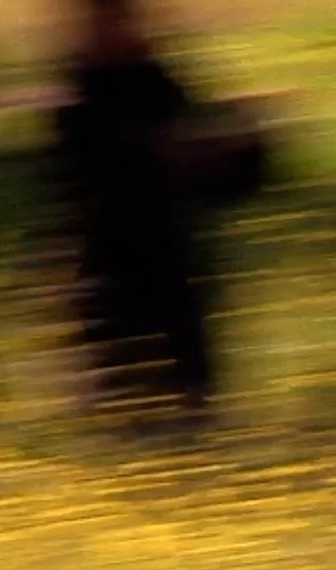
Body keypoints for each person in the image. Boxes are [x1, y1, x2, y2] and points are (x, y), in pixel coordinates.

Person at [52, 0, 265, 433]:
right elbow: (98, 174)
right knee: (122, 390)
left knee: (187, 384)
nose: (130, 31)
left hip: (171, 259)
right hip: (111, 264)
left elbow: (213, 173)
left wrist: (242, 144)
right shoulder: (77, 96)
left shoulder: (157, 83)